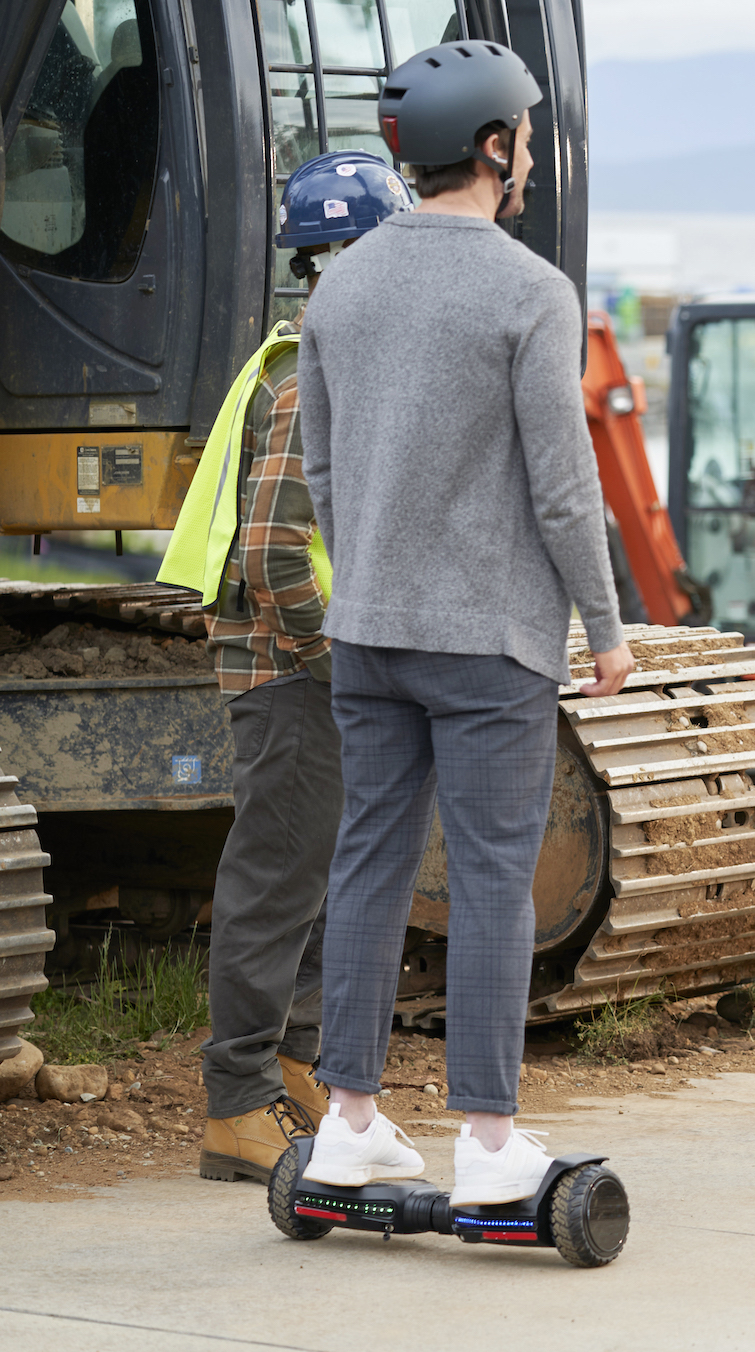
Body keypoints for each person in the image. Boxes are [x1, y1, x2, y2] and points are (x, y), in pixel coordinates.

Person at [296, 40, 635, 1204]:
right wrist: (606, 625)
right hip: (489, 640)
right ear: (493, 148)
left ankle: (348, 1118)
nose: (531, 153)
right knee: (493, 876)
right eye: (527, 135)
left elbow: (324, 469)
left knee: (369, 862)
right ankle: (490, 1143)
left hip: (369, 627)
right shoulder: (530, 291)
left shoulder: (342, 282)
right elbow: (562, 483)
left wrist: (373, 576)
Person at [156, 150, 412, 1183]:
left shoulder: (312, 359)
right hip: (292, 669)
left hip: (301, 664)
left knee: (311, 873)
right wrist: (335, 653)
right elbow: (268, 552)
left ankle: (297, 1064)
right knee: (273, 880)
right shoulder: (315, 379)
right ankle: (235, 1105)